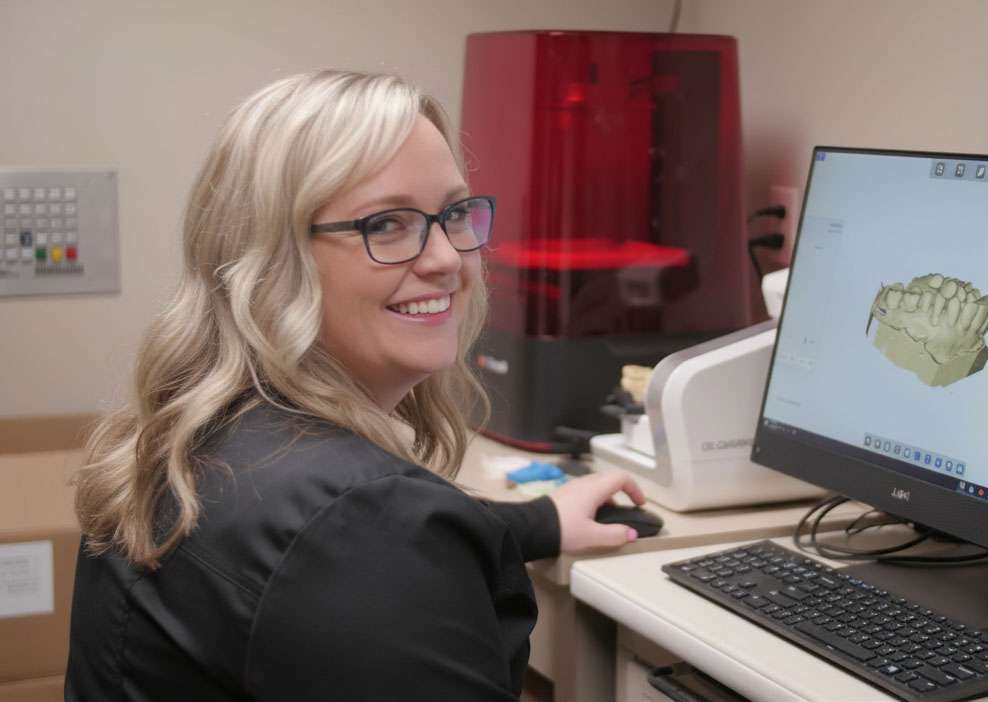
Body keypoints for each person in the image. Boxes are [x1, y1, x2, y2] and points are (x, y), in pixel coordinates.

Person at [65, 69, 646, 701]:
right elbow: (349, 536)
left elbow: (304, 536)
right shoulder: (368, 526)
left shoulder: (198, 437)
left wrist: (538, 521)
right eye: (387, 224)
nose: (447, 258)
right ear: (272, 260)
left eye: (453, 213)